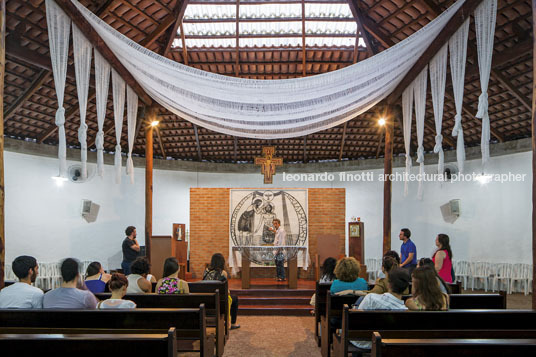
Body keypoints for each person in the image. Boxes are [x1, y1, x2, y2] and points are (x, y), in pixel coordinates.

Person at [349, 268, 410, 353]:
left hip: (363, 342)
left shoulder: (371, 298)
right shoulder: (405, 311)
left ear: (389, 284)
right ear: (406, 288)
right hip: (390, 344)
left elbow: (355, 323)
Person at [203, 253, 240, 330]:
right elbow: (224, 289)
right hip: (219, 300)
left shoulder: (206, 271)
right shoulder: (223, 273)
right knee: (235, 298)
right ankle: (233, 323)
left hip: (206, 298)